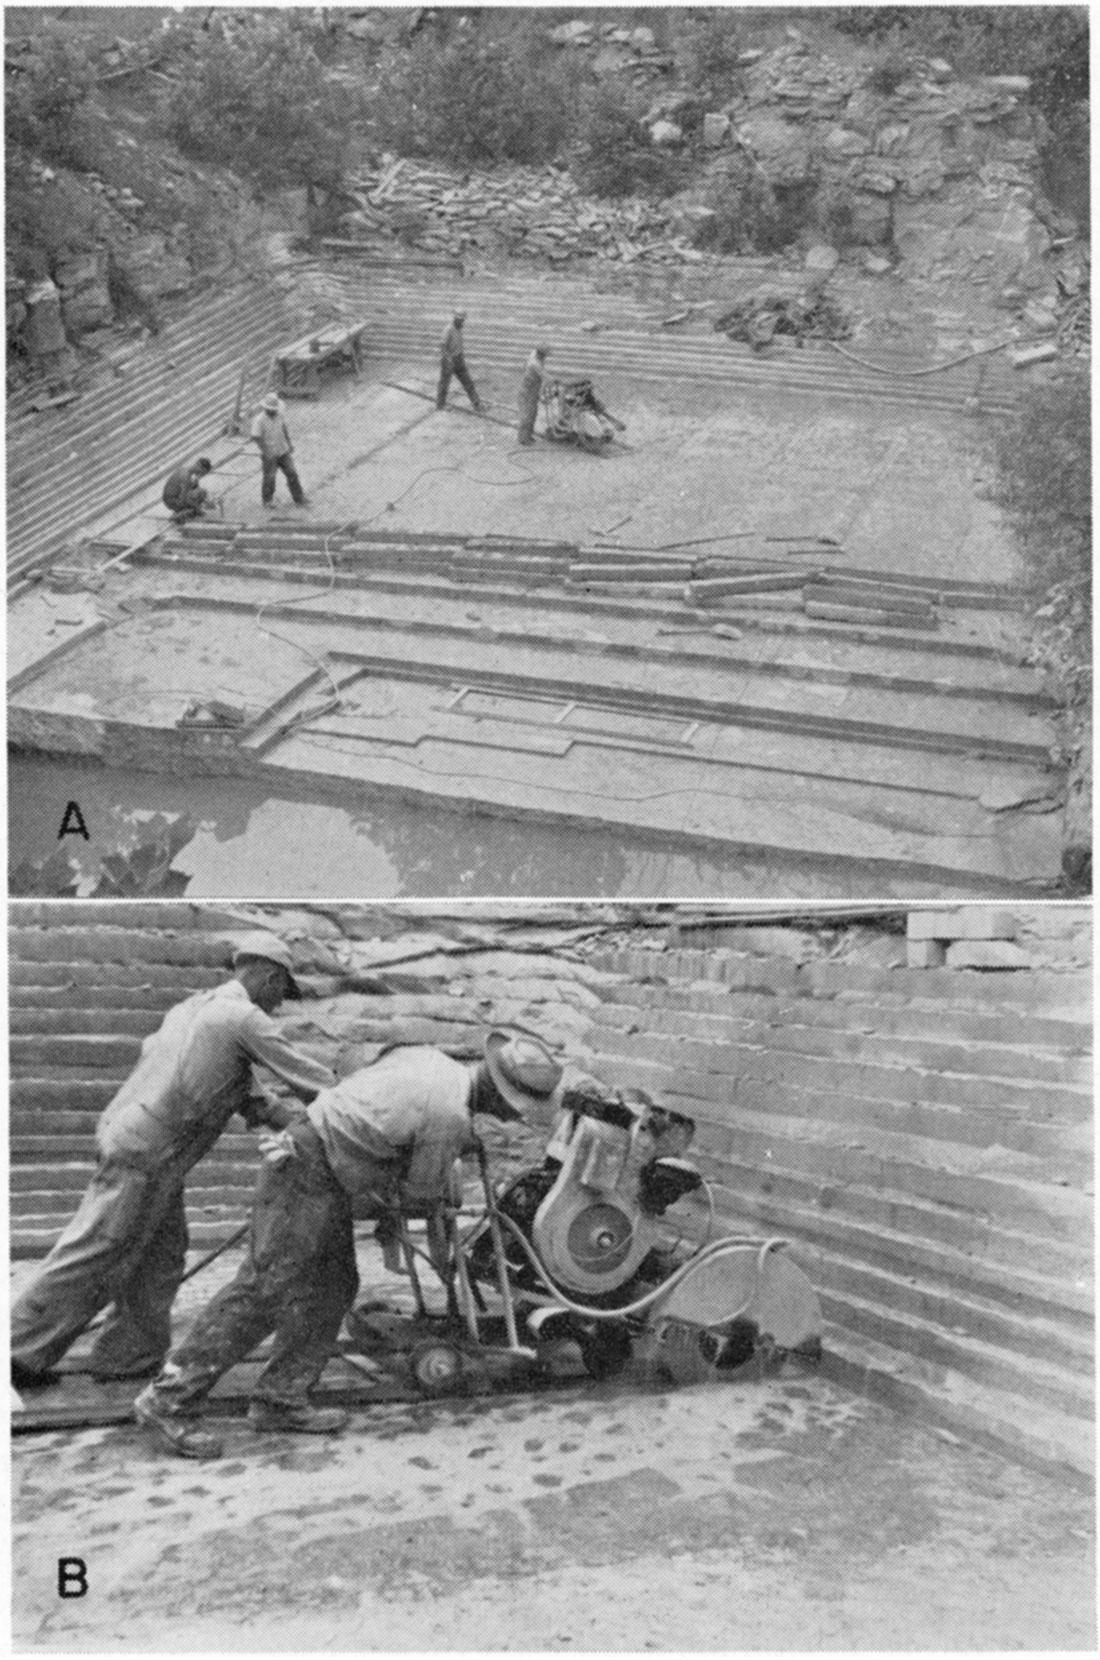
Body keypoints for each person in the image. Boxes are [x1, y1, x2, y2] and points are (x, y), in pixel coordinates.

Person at [133, 1031, 565, 1458]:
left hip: (318, 1161)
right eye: (511, 1110)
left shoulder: (426, 1056)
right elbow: (421, 1196)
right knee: (264, 1289)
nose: (509, 1120)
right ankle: (168, 1398)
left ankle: (281, 1397)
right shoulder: (449, 1116)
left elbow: (362, 1077)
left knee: (333, 1285)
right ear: (497, 1093)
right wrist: (431, 1160)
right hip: (306, 1169)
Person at [11, 934, 335, 1391]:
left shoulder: (192, 1010)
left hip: (143, 1143)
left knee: (161, 1255)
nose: (280, 1003)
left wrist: (286, 1119)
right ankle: (16, 1353)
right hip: (148, 1151)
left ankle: (128, 1357)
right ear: (269, 976)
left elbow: (240, 1089)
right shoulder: (244, 1017)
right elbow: (315, 1083)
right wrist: (355, 1104)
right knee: (96, 1248)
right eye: (283, 991)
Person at [250, 392, 307, 508]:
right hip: (270, 453)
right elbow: (255, 437)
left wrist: (289, 443)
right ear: (266, 408)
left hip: (283, 450)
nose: (274, 410)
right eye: (272, 409)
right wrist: (266, 451)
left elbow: (283, 427)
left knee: (292, 473)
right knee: (270, 478)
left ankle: (299, 498)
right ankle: (267, 501)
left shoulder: (279, 415)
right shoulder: (259, 420)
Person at [436, 312, 482, 412]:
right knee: (444, 384)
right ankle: (440, 404)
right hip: (449, 360)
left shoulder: (459, 328)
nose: (462, 322)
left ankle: (476, 404)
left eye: (463, 320)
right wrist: (448, 360)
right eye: (461, 320)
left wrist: (461, 357)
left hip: (459, 359)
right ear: (455, 319)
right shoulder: (448, 329)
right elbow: (442, 345)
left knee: (468, 382)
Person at [162, 457, 214, 522]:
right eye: (203, 473)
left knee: (200, 492)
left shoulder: (185, 470)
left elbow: (192, 487)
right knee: (200, 494)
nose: (201, 475)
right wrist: (198, 508)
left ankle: (187, 511)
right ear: (200, 468)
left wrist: (206, 501)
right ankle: (179, 514)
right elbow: (184, 499)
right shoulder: (185, 477)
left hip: (171, 497)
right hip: (172, 502)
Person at [517, 345, 549, 445]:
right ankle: (523, 439)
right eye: (545, 355)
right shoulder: (535, 363)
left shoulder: (535, 355)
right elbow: (546, 377)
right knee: (527, 415)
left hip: (533, 389)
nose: (546, 358)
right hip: (527, 392)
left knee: (533, 413)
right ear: (541, 355)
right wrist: (555, 381)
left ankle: (528, 435)